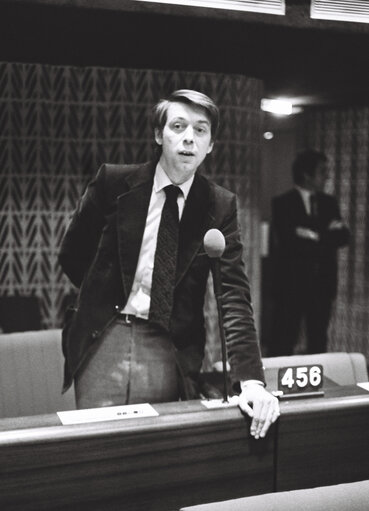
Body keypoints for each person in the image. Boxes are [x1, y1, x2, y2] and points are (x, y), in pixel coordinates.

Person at [59, 89, 279, 439]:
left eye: (201, 129)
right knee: (97, 445)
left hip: (168, 343)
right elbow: (73, 255)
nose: (189, 137)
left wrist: (251, 381)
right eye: (178, 126)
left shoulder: (218, 206)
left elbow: (233, 296)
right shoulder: (113, 183)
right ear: (159, 135)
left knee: (154, 446)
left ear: (210, 145)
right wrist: (102, 294)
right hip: (105, 335)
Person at [269, 149, 349, 356]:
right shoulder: (283, 203)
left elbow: (343, 237)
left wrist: (314, 236)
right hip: (291, 285)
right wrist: (325, 235)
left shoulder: (328, 203)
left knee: (318, 340)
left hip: (322, 285)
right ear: (307, 174)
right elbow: (289, 242)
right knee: (284, 338)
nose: (327, 176)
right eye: (323, 171)